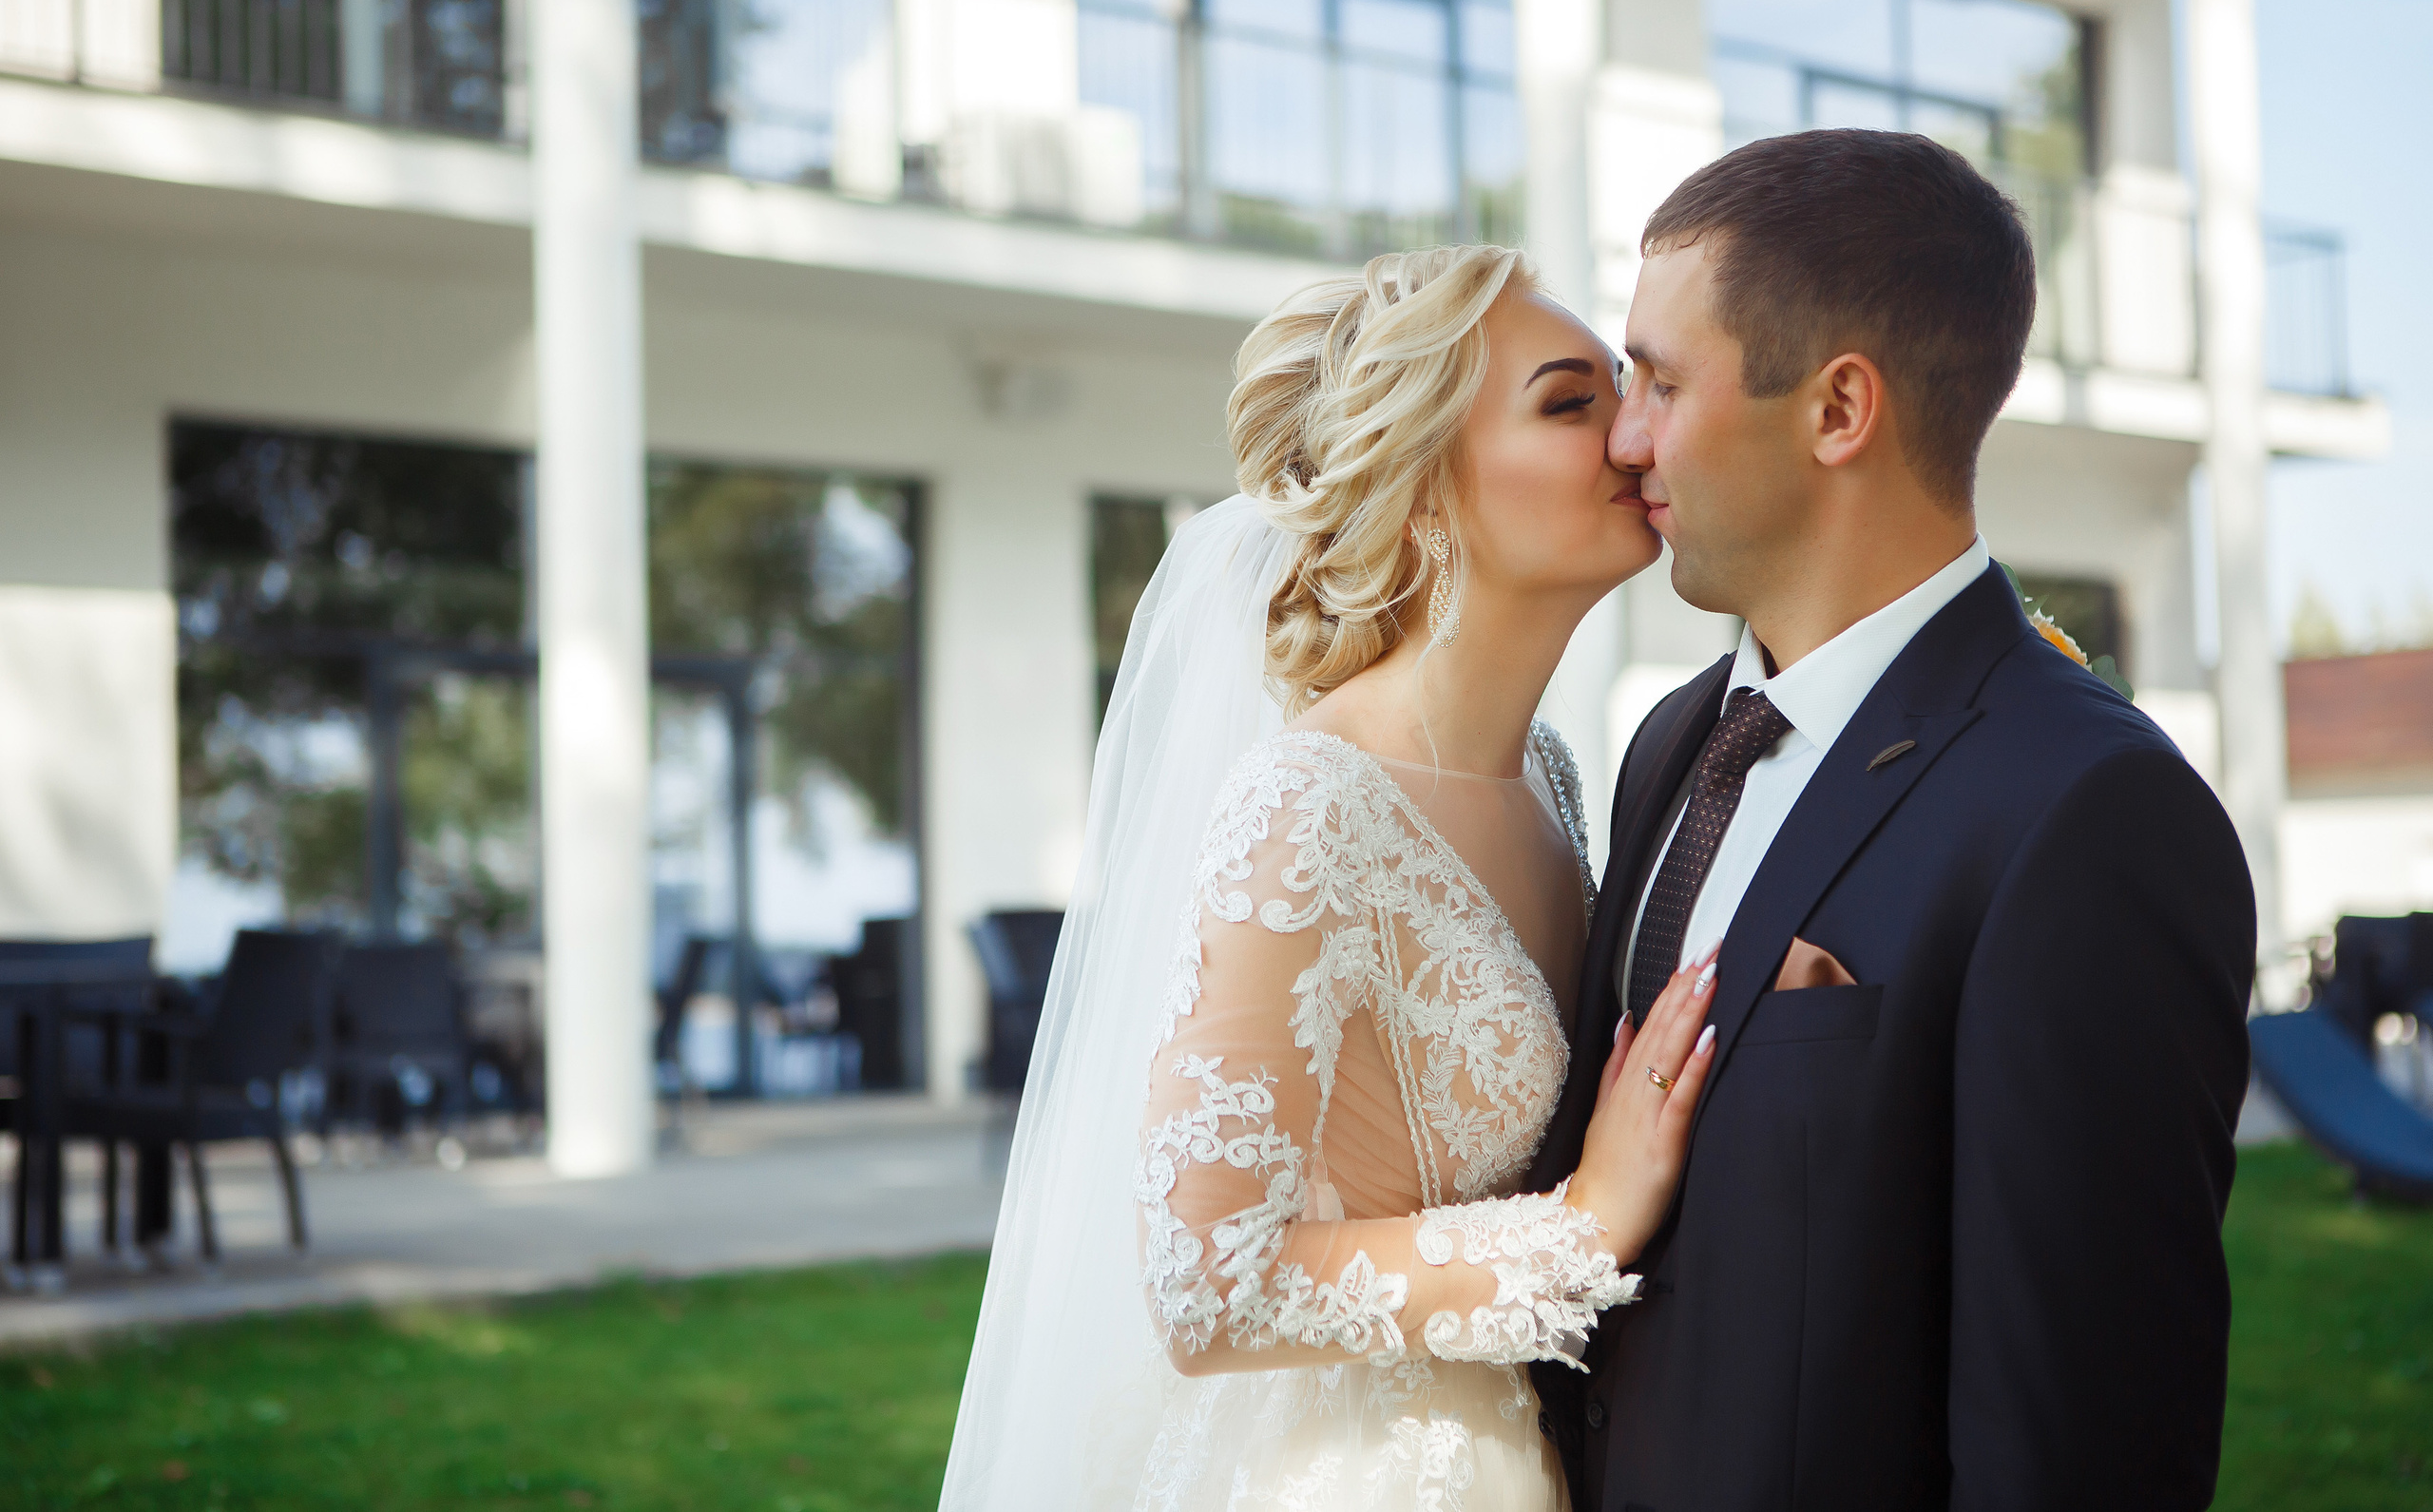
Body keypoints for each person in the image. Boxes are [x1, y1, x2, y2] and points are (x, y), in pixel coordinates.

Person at [1523, 129, 2256, 1511]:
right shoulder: (1673, 742)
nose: (1625, 438)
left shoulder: (2088, 812)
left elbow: (2083, 1439)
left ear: (1839, 410)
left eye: (1664, 382)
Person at [944, 244, 1713, 1509]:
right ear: (1423, 486)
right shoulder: (1309, 804)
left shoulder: (1556, 779)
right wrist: (1579, 1231)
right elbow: (1208, 1283)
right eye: (1572, 403)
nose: (1635, 436)